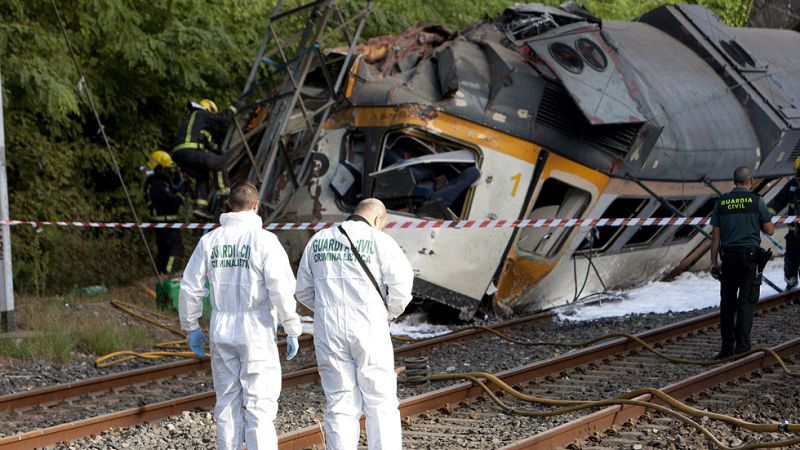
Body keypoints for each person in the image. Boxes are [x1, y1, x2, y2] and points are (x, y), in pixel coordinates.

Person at [178, 180, 302, 450]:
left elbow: (190, 287)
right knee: (260, 403)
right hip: (256, 329)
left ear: (228, 206)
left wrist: (191, 327)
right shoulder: (265, 241)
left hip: (221, 328)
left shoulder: (210, 241)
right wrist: (291, 325)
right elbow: (281, 288)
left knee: (227, 401)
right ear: (256, 206)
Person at [295, 198, 414, 450]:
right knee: (380, 401)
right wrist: (387, 313)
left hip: (328, 329)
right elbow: (402, 290)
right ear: (379, 219)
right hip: (369, 325)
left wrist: (327, 309)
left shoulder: (318, 240)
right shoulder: (380, 241)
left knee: (340, 401)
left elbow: (303, 291)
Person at [710, 166, 774, 359]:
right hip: (750, 259)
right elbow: (770, 230)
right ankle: (742, 348)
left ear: (734, 181)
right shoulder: (756, 201)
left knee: (727, 304)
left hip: (728, 259)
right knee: (746, 303)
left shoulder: (721, 203)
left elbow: (715, 237)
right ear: (751, 181)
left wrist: (713, 261)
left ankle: (726, 349)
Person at [172, 98, 240, 219]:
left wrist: (217, 150)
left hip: (179, 155)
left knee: (202, 176)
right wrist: (234, 107)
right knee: (219, 162)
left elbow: (209, 143)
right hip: (190, 151)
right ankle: (225, 195)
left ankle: (200, 207)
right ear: (208, 110)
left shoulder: (194, 124)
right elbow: (223, 118)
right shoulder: (201, 114)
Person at [144, 150, 185, 275]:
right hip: (166, 222)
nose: (168, 172)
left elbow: (172, 191)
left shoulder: (155, 182)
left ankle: (159, 274)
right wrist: (181, 195)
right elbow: (171, 201)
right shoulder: (157, 184)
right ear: (159, 167)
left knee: (164, 251)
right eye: (166, 169)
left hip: (162, 222)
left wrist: (180, 183)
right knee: (176, 250)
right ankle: (170, 273)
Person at [767, 156, 800, 290]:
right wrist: (767, 215)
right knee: (790, 261)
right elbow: (778, 202)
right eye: (798, 178)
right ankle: (791, 287)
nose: (798, 182)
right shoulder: (791, 186)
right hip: (794, 234)